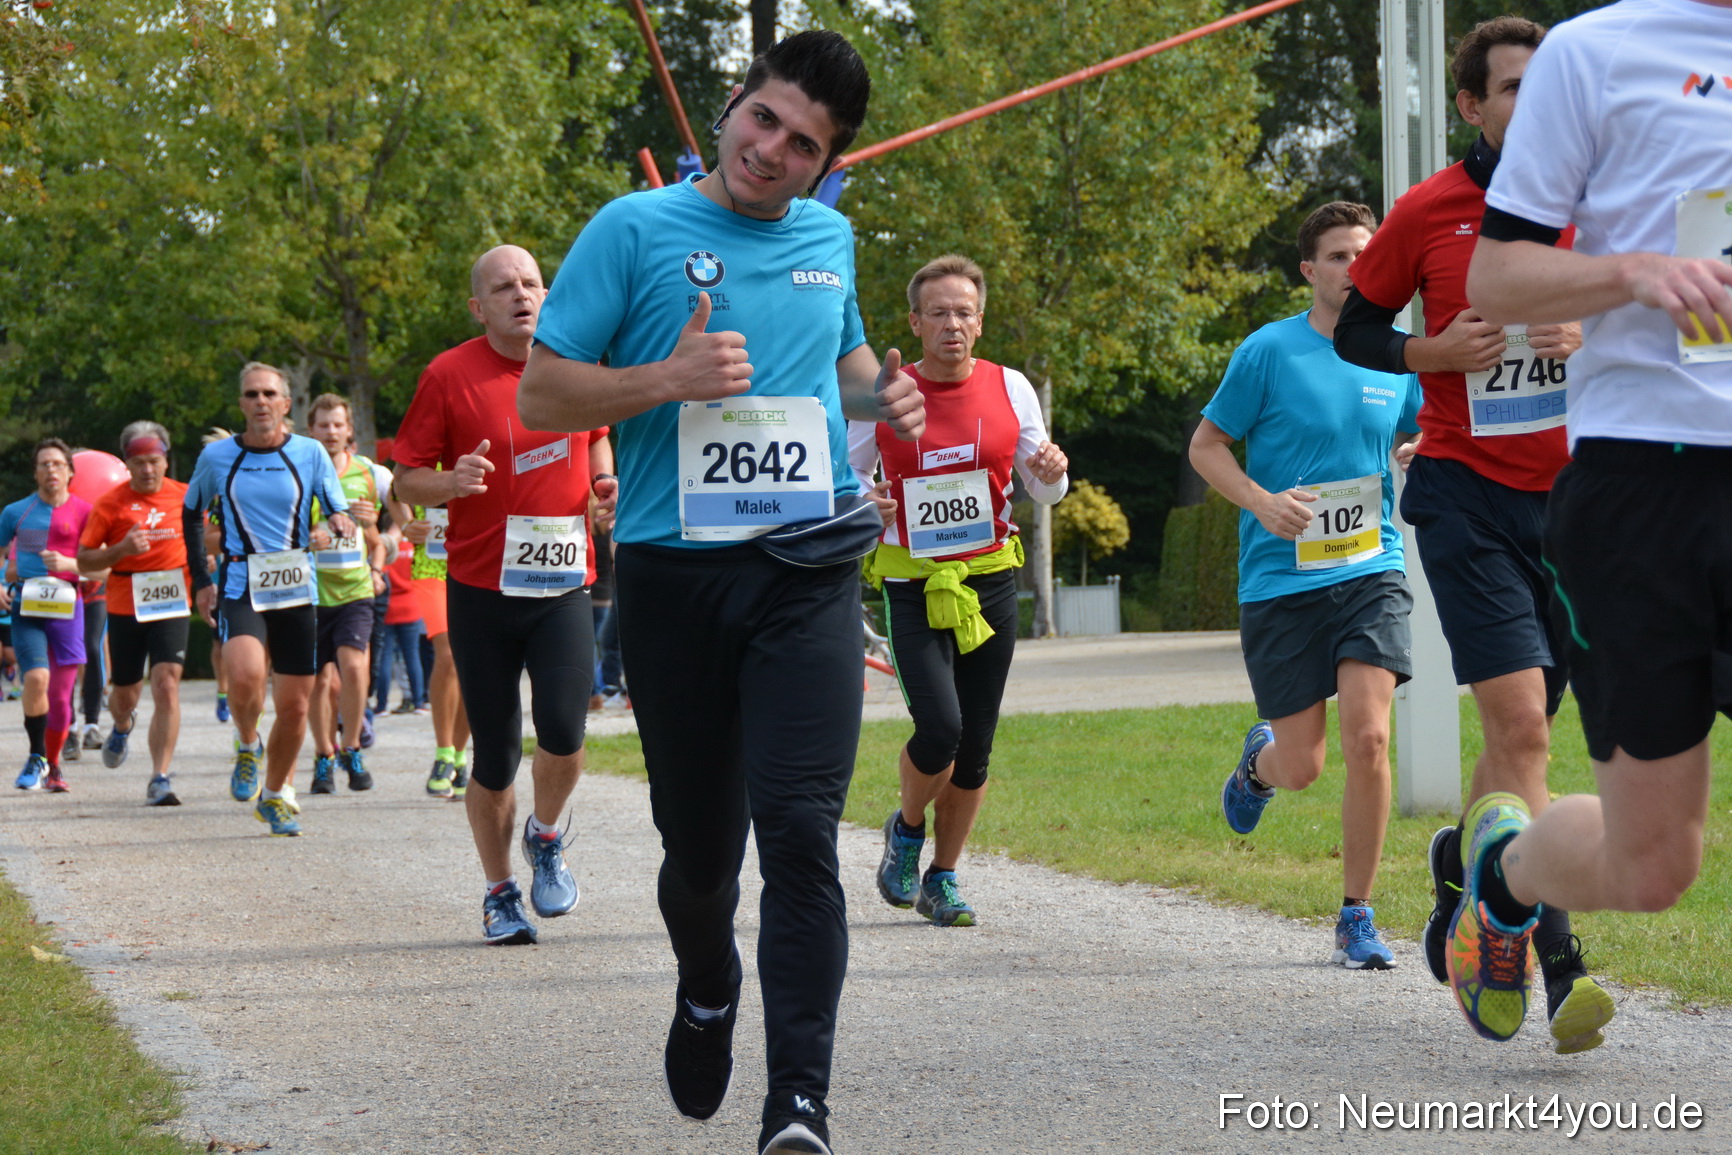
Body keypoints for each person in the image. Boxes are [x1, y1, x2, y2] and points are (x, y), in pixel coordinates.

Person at [518, 30, 924, 1155]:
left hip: (807, 571)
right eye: (764, 119)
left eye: (804, 145)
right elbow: (542, 397)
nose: (772, 151)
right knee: (701, 859)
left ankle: (799, 1104)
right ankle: (707, 985)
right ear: (733, 103)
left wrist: (885, 395)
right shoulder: (632, 228)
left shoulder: (830, 238)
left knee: (798, 832)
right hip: (675, 581)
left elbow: (843, 359)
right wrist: (665, 379)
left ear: (827, 162)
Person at [1451, 0, 1732, 1046]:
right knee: (1652, 867)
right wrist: (1634, 274)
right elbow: (1495, 276)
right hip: (1645, 484)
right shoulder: (1599, 51)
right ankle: (1506, 874)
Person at [1333, 15, 1613, 1051]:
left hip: (1578, 506)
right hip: (1465, 496)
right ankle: (1553, 960)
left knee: (1517, 737)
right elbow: (1357, 327)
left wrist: (1592, 328)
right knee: (1525, 730)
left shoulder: (1601, 202)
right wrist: (1433, 353)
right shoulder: (1430, 210)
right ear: (1470, 106)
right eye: (1512, 88)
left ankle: (1464, 870)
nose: (1536, 104)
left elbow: (1671, 320)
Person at [1190, 201, 1421, 971]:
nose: (1355, 266)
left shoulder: (1394, 354)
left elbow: (1425, 427)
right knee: (1303, 765)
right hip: (1280, 580)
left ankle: (1357, 913)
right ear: (1309, 270)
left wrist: (1422, 448)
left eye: (1366, 253)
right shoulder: (1269, 351)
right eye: (1340, 255)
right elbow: (1206, 445)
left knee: (1370, 736)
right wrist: (1261, 502)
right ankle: (1258, 765)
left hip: (1370, 567)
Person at [394, 243, 604, 947]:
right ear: (477, 307)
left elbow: (598, 439)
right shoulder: (447, 374)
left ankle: (544, 834)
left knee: (566, 731)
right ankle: (499, 891)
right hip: (482, 588)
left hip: (563, 582)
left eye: (531, 282)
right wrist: (449, 482)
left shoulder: (574, 362)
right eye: (504, 287)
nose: (521, 295)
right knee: (494, 754)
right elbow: (405, 477)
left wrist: (603, 483)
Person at [849, 254, 1068, 928]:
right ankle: (906, 827)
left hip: (990, 578)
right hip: (914, 582)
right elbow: (846, 476)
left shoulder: (1012, 387)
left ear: (980, 321)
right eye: (938, 312)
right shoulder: (885, 393)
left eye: (964, 312)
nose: (952, 323)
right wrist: (865, 501)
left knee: (974, 746)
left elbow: (1043, 487)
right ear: (915, 322)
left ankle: (941, 877)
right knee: (940, 728)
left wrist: (1052, 471)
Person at [184, 363, 354, 836]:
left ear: (285, 404)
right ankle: (247, 743)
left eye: (269, 394)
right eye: (252, 394)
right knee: (245, 675)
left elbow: (335, 505)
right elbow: (191, 514)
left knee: (296, 705)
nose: (261, 401)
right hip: (241, 583)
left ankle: (275, 795)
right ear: (241, 403)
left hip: (296, 586)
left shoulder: (310, 452)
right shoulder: (217, 457)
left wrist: (339, 521)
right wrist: (201, 579)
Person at [76, 422, 193, 806]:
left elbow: (210, 537)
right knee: (125, 694)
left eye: (154, 461)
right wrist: (121, 549)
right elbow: (85, 559)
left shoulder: (186, 496)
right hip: (126, 603)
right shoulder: (111, 504)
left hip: (172, 601)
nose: (147, 469)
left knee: (167, 684)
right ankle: (122, 725)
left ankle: (160, 777)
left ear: (166, 460)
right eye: (139, 462)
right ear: (127, 464)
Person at [305, 393, 387, 794]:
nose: (331, 431)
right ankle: (324, 754)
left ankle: (351, 748)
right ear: (310, 430)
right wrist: (307, 538)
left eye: (338, 424)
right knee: (319, 680)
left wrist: (377, 567)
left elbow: (381, 537)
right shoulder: (299, 473)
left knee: (354, 668)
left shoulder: (366, 473)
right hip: (310, 591)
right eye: (323, 425)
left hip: (355, 589)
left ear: (349, 430)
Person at [1, 439, 93, 793]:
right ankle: (36, 756)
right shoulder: (17, 513)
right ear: (35, 472)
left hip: (68, 611)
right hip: (28, 608)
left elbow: (103, 568)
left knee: (60, 698)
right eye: (44, 464)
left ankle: (54, 766)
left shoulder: (86, 512)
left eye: (57, 464)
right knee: (36, 678)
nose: (51, 470)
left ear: (70, 471)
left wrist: (71, 564)